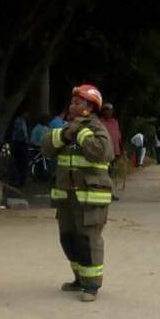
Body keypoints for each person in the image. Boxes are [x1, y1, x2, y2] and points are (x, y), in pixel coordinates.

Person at [41, 84, 114, 302]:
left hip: (90, 197)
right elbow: (46, 147)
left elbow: (103, 152)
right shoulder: (66, 128)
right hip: (67, 196)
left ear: (90, 107)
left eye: (77, 102)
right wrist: (65, 134)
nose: (72, 106)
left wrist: (81, 133)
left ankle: (91, 286)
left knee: (88, 239)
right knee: (68, 238)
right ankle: (79, 278)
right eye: (72, 102)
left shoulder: (97, 128)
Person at [98, 103, 123, 200]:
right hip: (103, 152)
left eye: (110, 110)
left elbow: (118, 137)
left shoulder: (115, 122)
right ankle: (103, 192)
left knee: (112, 173)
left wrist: (121, 149)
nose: (108, 112)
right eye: (106, 110)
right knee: (103, 173)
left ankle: (110, 192)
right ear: (103, 111)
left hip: (115, 152)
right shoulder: (99, 122)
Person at [10, 110, 29, 186]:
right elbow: (21, 133)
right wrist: (25, 141)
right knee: (20, 163)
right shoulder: (19, 121)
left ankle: (22, 180)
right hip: (19, 144)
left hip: (21, 144)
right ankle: (19, 180)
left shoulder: (23, 121)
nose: (27, 114)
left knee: (22, 163)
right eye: (26, 113)